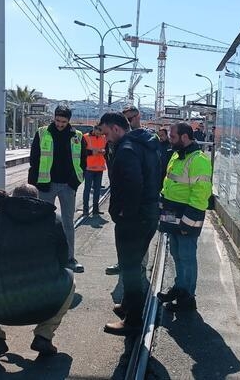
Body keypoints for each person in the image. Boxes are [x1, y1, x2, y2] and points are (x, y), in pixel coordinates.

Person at [0, 184, 75, 362]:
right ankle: (44, 335)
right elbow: (63, 261)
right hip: (43, 306)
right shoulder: (55, 220)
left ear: (12, 198)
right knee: (71, 280)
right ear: (37, 199)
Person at [98, 112, 160, 336]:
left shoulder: (126, 150)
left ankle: (133, 320)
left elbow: (133, 185)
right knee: (132, 265)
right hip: (149, 212)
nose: (105, 138)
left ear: (116, 128)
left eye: (106, 133)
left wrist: (125, 213)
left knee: (131, 268)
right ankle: (127, 305)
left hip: (134, 219)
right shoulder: (147, 144)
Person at [157, 122, 212, 312]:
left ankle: (187, 298)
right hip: (173, 213)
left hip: (187, 215)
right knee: (176, 254)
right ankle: (180, 288)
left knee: (187, 257)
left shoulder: (199, 159)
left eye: (173, 136)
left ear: (185, 137)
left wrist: (186, 223)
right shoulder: (177, 155)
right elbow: (170, 182)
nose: (169, 139)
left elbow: (201, 193)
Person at [28, 105, 87, 273]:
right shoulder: (42, 133)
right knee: (43, 221)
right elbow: (34, 159)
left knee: (68, 222)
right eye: (58, 120)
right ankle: (43, 256)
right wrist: (34, 184)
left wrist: (75, 182)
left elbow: (83, 161)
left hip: (68, 186)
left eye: (64, 121)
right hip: (45, 184)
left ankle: (69, 258)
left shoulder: (77, 136)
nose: (60, 124)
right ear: (54, 117)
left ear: (69, 120)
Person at [82, 125, 107, 217]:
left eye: (100, 133)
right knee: (87, 189)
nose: (99, 134)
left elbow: (107, 148)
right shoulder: (85, 137)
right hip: (89, 167)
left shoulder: (103, 137)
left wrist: (104, 151)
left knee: (97, 190)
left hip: (99, 167)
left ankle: (96, 209)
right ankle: (85, 210)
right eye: (97, 132)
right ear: (94, 129)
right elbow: (82, 151)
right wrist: (92, 152)